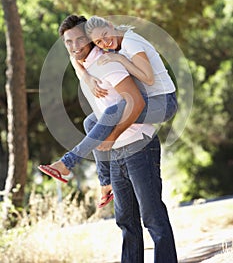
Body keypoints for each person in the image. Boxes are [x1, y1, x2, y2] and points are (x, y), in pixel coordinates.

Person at [40, 15, 178, 262]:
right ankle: (103, 180)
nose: (74, 46)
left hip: (139, 144)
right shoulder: (89, 61)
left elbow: (135, 102)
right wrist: (87, 76)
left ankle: (67, 162)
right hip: (118, 152)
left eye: (79, 40)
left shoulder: (109, 60)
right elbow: (76, 58)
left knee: (152, 219)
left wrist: (111, 138)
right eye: (68, 42)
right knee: (126, 223)